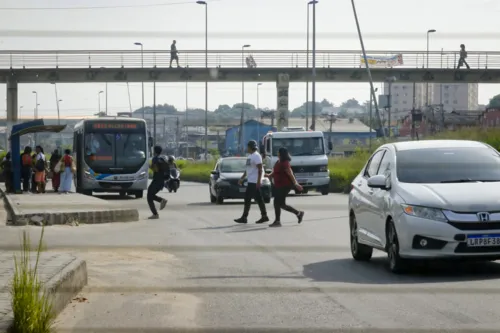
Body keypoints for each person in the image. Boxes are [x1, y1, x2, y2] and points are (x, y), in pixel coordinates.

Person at [265, 147, 305, 227]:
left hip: (285, 185)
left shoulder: (285, 163)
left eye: (279, 152)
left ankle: (277, 221)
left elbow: (290, 173)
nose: (277, 153)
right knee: (281, 204)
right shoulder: (278, 161)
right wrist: (269, 175)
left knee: (277, 202)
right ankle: (298, 213)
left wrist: (296, 184)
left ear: (281, 154)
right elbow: (275, 172)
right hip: (279, 185)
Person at [234, 140, 269, 224]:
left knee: (252, 199)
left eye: (248, 147)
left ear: (250, 147)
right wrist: (242, 178)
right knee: (254, 199)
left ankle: (246, 217)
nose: (247, 148)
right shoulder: (250, 156)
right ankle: (263, 216)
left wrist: (258, 181)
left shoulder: (257, 156)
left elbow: (260, 169)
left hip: (254, 181)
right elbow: (248, 169)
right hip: (251, 181)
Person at [148, 145, 168, 219]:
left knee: (149, 196)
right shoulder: (163, 158)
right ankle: (162, 201)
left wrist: (150, 166)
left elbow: (156, 169)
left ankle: (155, 214)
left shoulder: (155, 158)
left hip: (156, 180)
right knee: (150, 195)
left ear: (155, 151)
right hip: (161, 181)